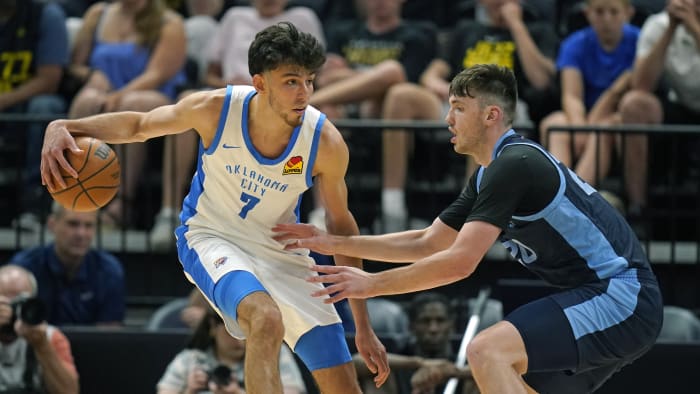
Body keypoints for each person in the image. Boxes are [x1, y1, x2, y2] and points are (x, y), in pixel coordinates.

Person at [40, 22, 389, 393]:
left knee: (343, 386)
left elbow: (342, 229)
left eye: (309, 81)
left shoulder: (325, 142)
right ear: (260, 83)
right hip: (211, 237)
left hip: (282, 251)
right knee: (265, 318)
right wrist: (66, 124)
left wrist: (363, 327)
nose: (303, 93)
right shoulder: (216, 109)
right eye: (290, 81)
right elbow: (139, 125)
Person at [273, 64, 664, 393]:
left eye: (458, 108)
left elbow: (459, 262)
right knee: (504, 371)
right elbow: (428, 242)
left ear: (491, 115)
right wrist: (334, 240)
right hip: (599, 298)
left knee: (487, 351)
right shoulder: (488, 175)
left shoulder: (515, 164)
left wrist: (371, 284)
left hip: (620, 296)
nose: (448, 119)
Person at [150, 0, 326, 251]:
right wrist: (227, 84)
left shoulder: (304, 17)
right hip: (236, 104)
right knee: (187, 102)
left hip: (283, 104)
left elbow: (315, 74)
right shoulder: (234, 17)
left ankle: (321, 215)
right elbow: (208, 73)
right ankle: (167, 211)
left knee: (323, 119)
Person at [309, 0, 438, 232]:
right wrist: (373, 81)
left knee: (394, 79)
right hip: (350, 110)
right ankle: (323, 211)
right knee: (328, 107)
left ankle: (393, 208)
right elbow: (326, 79)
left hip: (399, 112)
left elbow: (403, 78)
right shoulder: (342, 31)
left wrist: (354, 77)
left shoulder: (419, 33)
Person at [68, 0, 186, 230]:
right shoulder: (97, 13)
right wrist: (92, 74)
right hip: (106, 91)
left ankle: (122, 203)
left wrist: (119, 95)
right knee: (87, 99)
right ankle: (72, 193)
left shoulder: (170, 22)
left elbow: (158, 73)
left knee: (133, 104)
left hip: (153, 95)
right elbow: (73, 65)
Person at [539, 0, 639, 202]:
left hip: (616, 116)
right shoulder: (575, 43)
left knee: (604, 128)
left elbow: (618, 93)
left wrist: (590, 125)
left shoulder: (640, 40)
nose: (607, 19)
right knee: (555, 123)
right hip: (583, 113)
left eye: (614, 12)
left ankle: (576, 200)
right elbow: (571, 95)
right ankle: (555, 197)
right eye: (600, 12)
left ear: (628, 13)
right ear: (588, 13)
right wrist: (579, 126)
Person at [617, 0, 700, 218]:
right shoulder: (658, 24)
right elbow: (642, 84)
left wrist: (694, 27)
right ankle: (638, 207)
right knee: (634, 104)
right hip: (680, 105)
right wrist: (671, 30)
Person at [1, 0, 69, 232]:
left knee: (45, 108)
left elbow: (49, 80)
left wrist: (3, 100)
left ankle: (35, 202)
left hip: (26, 106)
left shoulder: (46, 16)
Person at [8, 202, 126, 326]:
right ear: (52, 224)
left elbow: (110, 336)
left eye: (89, 225)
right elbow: (12, 328)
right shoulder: (24, 267)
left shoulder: (109, 270)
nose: (81, 234)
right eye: (73, 224)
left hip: (91, 346)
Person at [157, 306, 306, 394]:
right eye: (232, 331)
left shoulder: (274, 354)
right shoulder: (189, 360)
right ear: (213, 327)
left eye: (245, 332)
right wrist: (189, 390)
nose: (239, 340)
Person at [353, 292, 475, 394]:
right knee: (378, 373)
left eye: (440, 320)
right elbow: (357, 362)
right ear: (411, 326)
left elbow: (491, 367)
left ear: (451, 325)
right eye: (425, 321)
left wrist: (452, 372)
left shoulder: (463, 356)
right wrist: (420, 363)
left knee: (476, 379)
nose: (433, 329)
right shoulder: (401, 355)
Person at [0, 265, 79, 394]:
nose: (13, 310)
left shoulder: (49, 336)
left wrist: (42, 345)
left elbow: (69, 391)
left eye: (20, 302)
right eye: (5, 302)